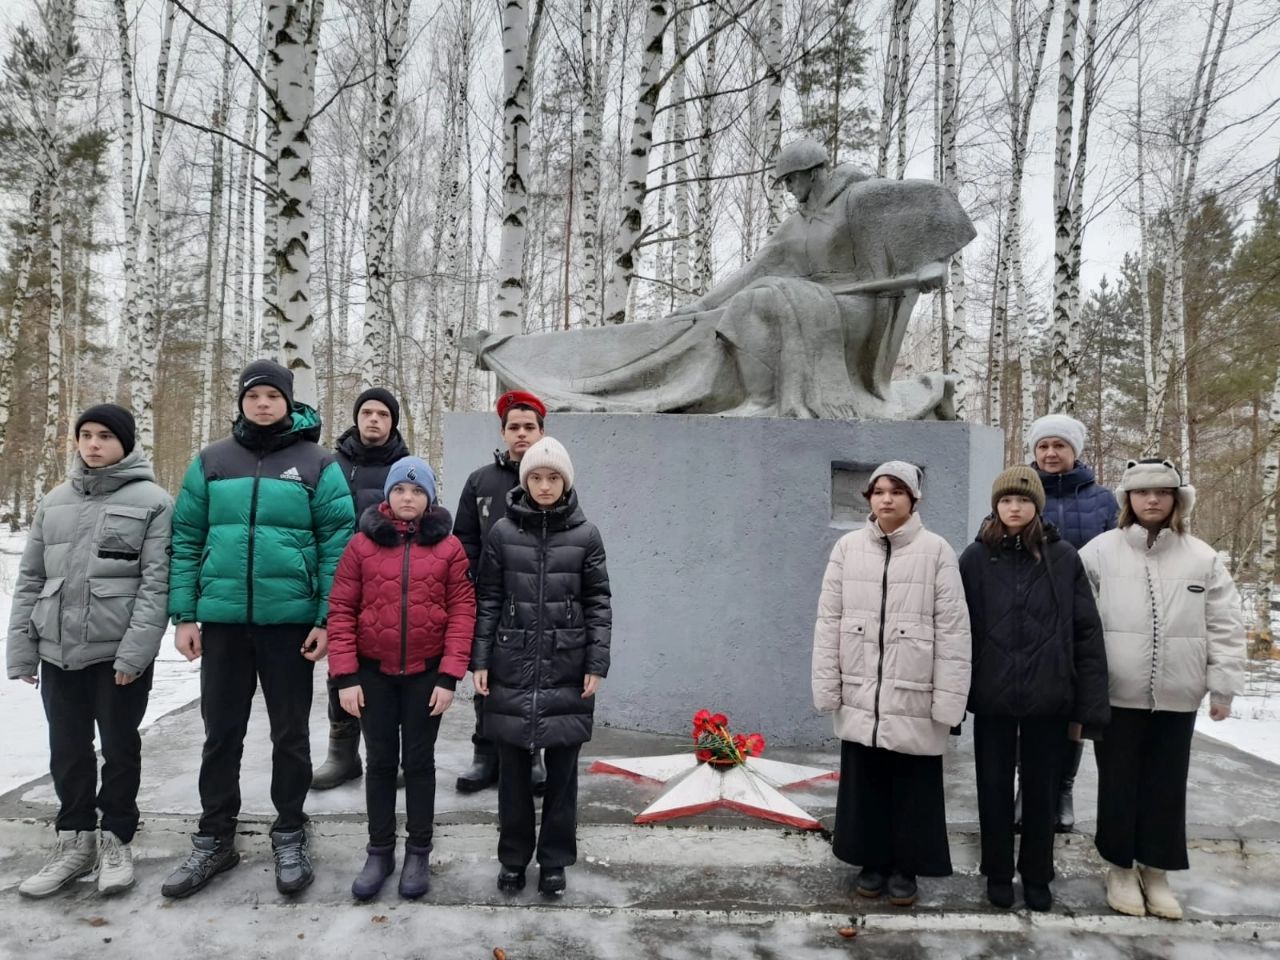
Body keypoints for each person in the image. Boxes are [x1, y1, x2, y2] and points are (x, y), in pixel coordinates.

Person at [471, 139, 975, 420]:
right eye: (785, 184)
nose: (790, 190)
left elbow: (918, 224)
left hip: (854, 309)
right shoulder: (794, 224)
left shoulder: (859, 200)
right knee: (733, 308)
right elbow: (753, 269)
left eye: (794, 180)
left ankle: (761, 401)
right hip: (802, 301)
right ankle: (652, 390)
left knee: (760, 301)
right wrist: (695, 307)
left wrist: (926, 273)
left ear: (817, 171)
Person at [161, 360, 355, 899]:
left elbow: (338, 546)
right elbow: (186, 538)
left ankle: (290, 829)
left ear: (288, 402)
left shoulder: (319, 463)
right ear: (241, 401)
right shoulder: (212, 460)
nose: (264, 404)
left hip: (288, 624)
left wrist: (324, 618)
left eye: (274, 395)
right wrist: (185, 616)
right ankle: (214, 836)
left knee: (290, 735)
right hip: (221, 623)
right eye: (255, 395)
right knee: (221, 734)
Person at [7, 405, 172, 898]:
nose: (93, 444)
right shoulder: (54, 501)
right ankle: (74, 838)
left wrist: (134, 654)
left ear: (126, 442)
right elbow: (31, 578)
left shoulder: (154, 502)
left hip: (116, 655)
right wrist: (22, 649)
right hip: (58, 650)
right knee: (67, 749)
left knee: (120, 747)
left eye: (104, 436)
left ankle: (117, 838)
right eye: (85, 435)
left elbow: (155, 584)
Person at [1079, 458, 1246, 920]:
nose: (1151, 499)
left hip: (1178, 694)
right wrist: (1081, 686)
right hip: (1117, 694)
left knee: (1166, 787)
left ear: (1177, 499)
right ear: (1127, 500)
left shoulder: (1202, 557)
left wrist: (1223, 687)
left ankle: (1156, 870)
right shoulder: (1099, 552)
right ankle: (1118, 867)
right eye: (1141, 492)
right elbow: (1079, 624)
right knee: (1118, 785)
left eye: (1162, 492)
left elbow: (1226, 624)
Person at [811, 461, 971, 907]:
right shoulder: (847, 548)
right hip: (863, 688)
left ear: (914, 499)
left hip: (913, 688)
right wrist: (830, 686)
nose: (886, 499)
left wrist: (948, 701)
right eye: (878, 491)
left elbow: (954, 631)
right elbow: (829, 621)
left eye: (897, 491)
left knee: (913, 784)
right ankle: (871, 861)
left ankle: (907, 867)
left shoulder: (937, 550)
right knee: (867, 782)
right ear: (869, 499)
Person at [959, 466, 1110, 912]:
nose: (1015, 507)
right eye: (1007, 500)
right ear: (996, 505)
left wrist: (1089, 703)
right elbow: (956, 629)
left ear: (1037, 506)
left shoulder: (1063, 557)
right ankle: (998, 872)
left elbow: (1086, 630)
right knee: (992, 785)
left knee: (1042, 790)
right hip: (993, 696)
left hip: (1049, 696)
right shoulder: (974, 558)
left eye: (1024, 500)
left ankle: (1039, 873)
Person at [327, 457, 475, 900]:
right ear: (388, 496)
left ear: (429, 498)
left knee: (419, 763)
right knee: (379, 763)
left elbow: (463, 613)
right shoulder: (360, 546)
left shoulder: (450, 549)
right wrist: (346, 676)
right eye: (400, 491)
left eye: (417, 491)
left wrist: (449, 676)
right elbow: (341, 611)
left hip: (425, 677)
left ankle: (418, 850)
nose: (407, 498)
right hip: (372, 676)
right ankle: (380, 849)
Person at [471, 437, 612, 897]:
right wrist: (481, 659)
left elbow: (598, 602)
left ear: (565, 481)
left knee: (563, 775)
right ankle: (513, 858)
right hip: (511, 661)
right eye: (536, 477)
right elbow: (488, 598)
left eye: (554, 478)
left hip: (566, 664)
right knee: (511, 773)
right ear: (525, 479)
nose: (545, 485)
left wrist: (596, 661)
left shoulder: (586, 535)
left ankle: (554, 860)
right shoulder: (501, 533)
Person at [1017, 413, 1118, 832]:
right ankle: (1027, 789)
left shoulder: (1103, 501)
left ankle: (1063, 789)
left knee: (1073, 709)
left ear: (1075, 451)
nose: (1051, 453)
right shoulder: (1019, 495)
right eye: (1043, 446)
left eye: (1059, 445)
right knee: (1027, 705)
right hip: (1029, 620)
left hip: (1082, 619)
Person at [312, 386, 412, 791]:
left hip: (389, 585)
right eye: (367, 412)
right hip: (341, 582)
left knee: (391, 669)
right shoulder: (332, 465)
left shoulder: (406, 467)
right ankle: (342, 752)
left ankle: (386, 753)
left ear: (392, 422)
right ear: (357, 418)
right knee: (342, 668)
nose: (374, 419)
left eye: (383, 414)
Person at [452, 390, 547, 795]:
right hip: (490, 600)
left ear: (542, 432)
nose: (521, 434)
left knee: (535, 676)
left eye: (529, 427)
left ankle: (532, 754)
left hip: (536, 600)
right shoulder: (481, 481)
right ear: (503, 432)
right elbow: (465, 539)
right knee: (487, 676)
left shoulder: (550, 479)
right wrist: (473, 582)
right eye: (514, 427)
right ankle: (485, 754)